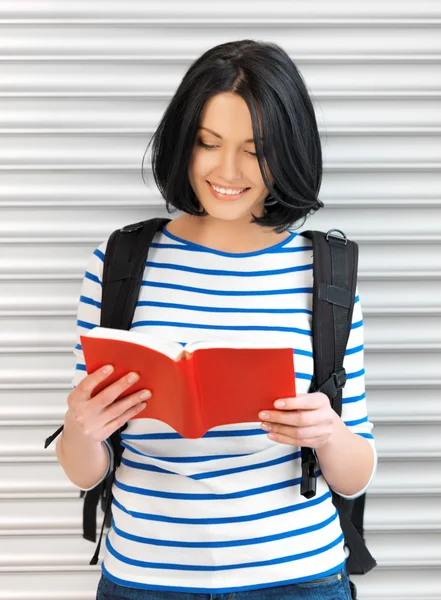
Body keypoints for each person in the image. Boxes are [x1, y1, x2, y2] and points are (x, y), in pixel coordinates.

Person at [55, 39, 377, 600]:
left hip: (297, 577)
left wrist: (326, 432)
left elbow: (356, 473)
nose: (227, 170)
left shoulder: (326, 272)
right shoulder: (120, 263)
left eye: (254, 150)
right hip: (144, 577)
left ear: (290, 150)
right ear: (184, 143)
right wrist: (82, 426)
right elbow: (84, 470)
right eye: (208, 143)